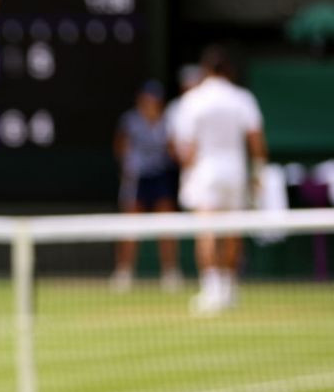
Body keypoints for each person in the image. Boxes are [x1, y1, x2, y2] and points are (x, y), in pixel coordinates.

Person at [173, 45, 267, 315]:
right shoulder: (242, 98)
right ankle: (227, 289)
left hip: (206, 174)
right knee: (231, 232)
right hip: (235, 173)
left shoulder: (193, 99)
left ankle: (214, 289)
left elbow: (186, 148)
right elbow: (256, 140)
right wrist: (258, 172)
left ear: (206, 70)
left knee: (208, 231)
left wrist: (188, 173)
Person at [111, 80, 183, 293]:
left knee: (166, 227)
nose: (151, 102)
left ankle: (170, 273)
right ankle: (123, 273)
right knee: (130, 228)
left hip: (160, 177)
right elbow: (120, 148)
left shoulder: (167, 121)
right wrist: (129, 169)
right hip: (137, 179)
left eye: (155, 98)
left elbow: (173, 149)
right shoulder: (130, 121)